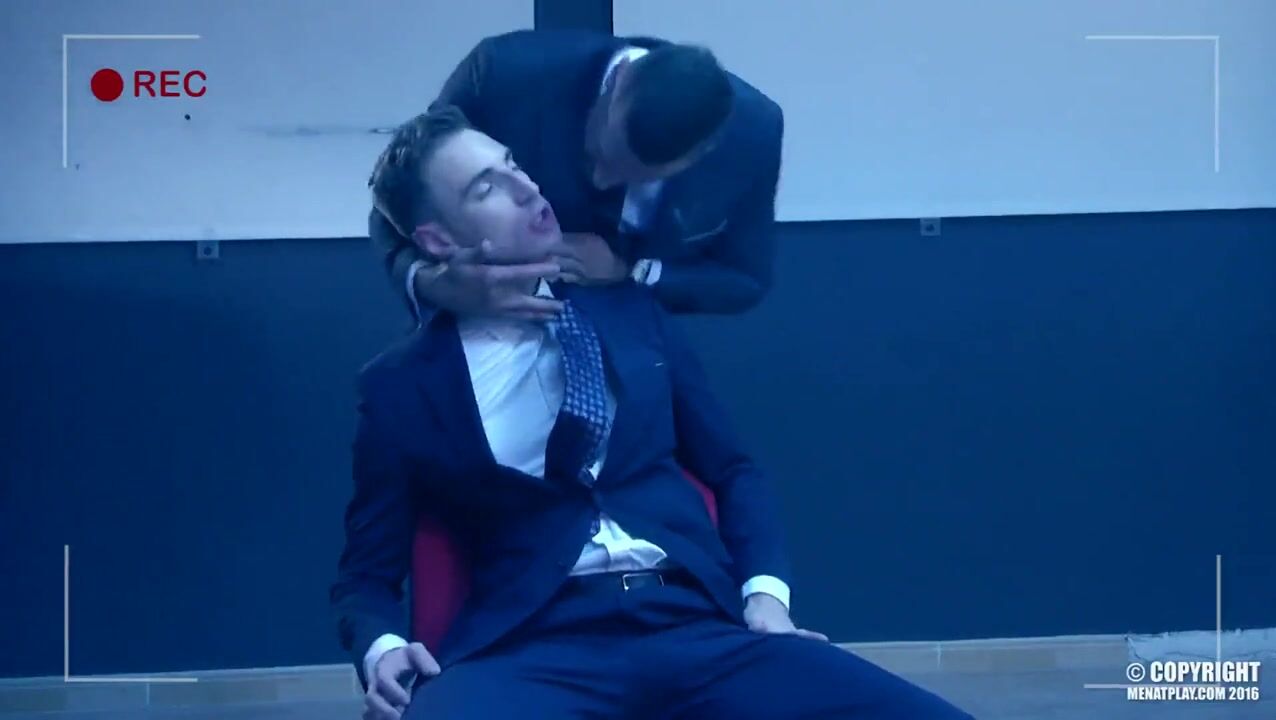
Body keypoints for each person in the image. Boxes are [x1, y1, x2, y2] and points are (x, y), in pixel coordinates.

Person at [331, 106, 973, 720]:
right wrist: (382, 649)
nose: (526, 188)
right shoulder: (400, 385)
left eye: (514, 165)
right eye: (486, 188)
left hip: (698, 628)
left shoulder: (630, 312)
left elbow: (734, 470)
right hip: (530, 650)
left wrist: (765, 598)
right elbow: (366, 572)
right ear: (438, 240)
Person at [369, 29, 784, 319]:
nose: (602, 180)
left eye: (633, 177)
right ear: (617, 81)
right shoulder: (502, 74)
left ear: (703, 153)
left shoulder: (754, 135)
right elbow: (395, 197)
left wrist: (633, 272)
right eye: (597, 155)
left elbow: (744, 280)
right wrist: (429, 283)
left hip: (636, 356)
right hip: (474, 335)